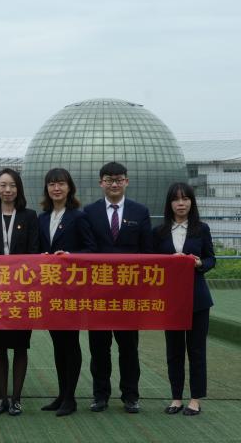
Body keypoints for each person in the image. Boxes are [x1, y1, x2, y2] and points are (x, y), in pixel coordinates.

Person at [82, 161, 152, 413]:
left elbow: (147, 252)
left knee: (129, 347)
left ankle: (130, 396)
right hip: (98, 292)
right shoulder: (89, 212)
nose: (114, 184)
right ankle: (100, 395)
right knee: (99, 347)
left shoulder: (140, 212)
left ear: (126, 182)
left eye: (119, 179)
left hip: (128, 293)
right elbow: (86, 250)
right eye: (109, 180)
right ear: (101, 183)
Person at [0, 168, 40, 416]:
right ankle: (2, 398)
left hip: (22, 292)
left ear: (18, 189)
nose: (7, 190)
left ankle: (17, 399)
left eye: (12, 185)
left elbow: (34, 252)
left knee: (20, 346)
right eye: (3, 185)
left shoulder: (30, 216)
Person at [152, 182, 216, 417]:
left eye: (185, 199)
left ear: (191, 202)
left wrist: (198, 263)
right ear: (170, 204)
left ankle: (195, 399)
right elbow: (152, 263)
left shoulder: (201, 229)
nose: (181, 203)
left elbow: (211, 259)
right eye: (176, 199)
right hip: (170, 300)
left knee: (196, 350)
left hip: (197, 299)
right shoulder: (159, 232)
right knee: (174, 350)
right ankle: (176, 397)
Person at [37, 168, 94, 417]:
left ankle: (70, 398)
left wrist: (71, 256)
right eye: (51, 184)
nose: (56, 188)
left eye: (60, 183)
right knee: (58, 343)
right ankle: (61, 395)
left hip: (71, 290)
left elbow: (91, 250)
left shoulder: (78, 217)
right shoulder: (42, 218)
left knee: (70, 343)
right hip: (49, 290)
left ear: (69, 187)